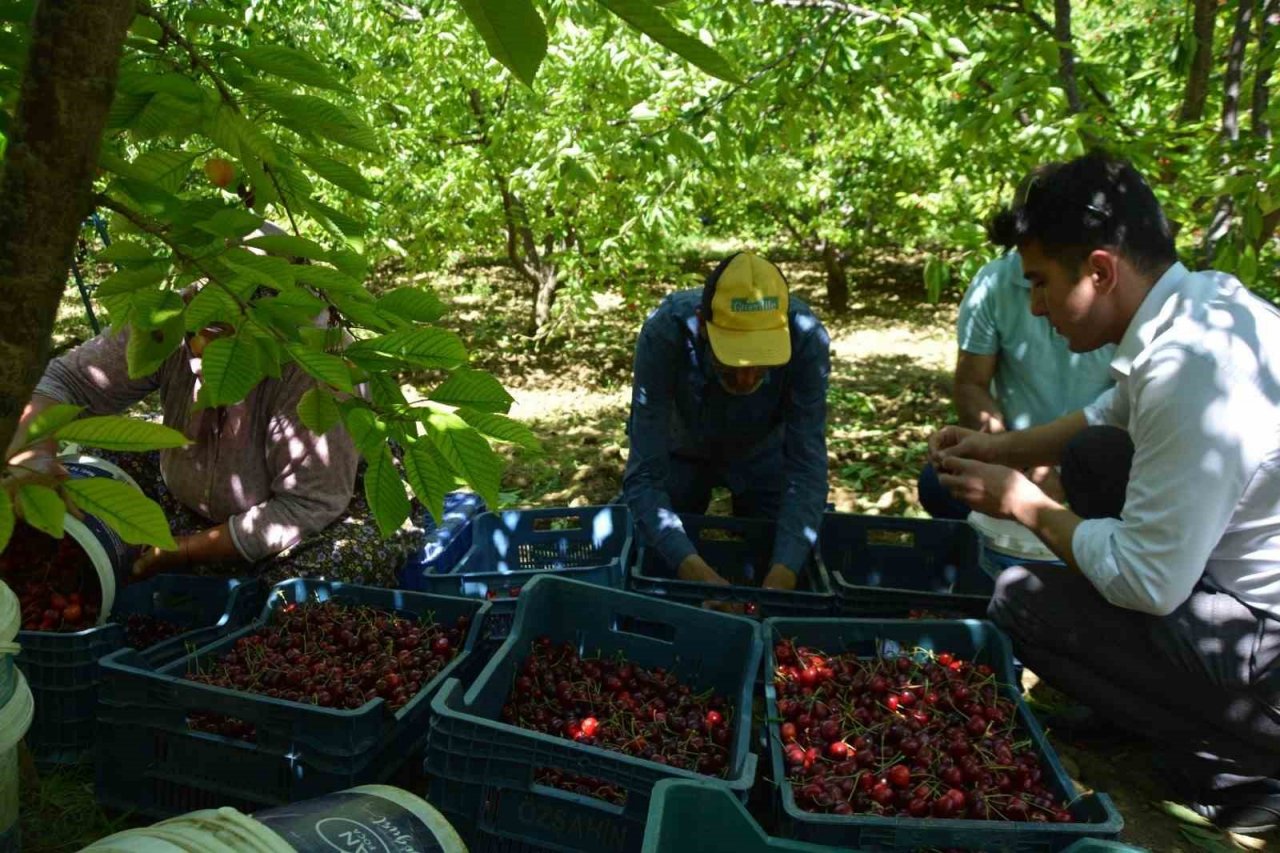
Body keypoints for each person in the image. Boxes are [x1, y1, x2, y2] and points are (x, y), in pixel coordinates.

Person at [929, 151, 1280, 834]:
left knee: (1021, 602)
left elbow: (1147, 580)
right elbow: (1102, 420)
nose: (1034, 306)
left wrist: (1019, 501)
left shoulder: (1190, 371)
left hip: (1268, 651)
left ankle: (1245, 770)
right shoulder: (1204, 308)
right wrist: (995, 448)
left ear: (1098, 270)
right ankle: (1146, 702)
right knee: (1093, 457)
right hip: (1241, 602)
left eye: (1040, 283)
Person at [6, 230, 414, 589]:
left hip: (327, 508)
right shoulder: (174, 319)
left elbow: (308, 505)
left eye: (229, 326)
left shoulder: (316, 367)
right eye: (204, 317)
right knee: (91, 467)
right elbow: (65, 381)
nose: (205, 340)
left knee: (324, 578)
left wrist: (183, 552)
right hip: (191, 487)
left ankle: (221, 576)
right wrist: (34, 451)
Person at [622, 251, 830, 596]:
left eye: (761, 360)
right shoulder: (666, 332)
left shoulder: (806, 337)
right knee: (642, 541)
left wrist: (782, 577)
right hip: (683, 450)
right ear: (704, 325)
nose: (747, 377)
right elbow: (644, 473)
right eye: (733, 359)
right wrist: (698, 576)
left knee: (791, 545)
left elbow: (807, 469)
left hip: (765, 453)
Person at [917, 248, 1115, 520]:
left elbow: (1122, 408)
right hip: (1014, 446)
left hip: (1093, 451)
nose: (1036, 306)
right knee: (937, 485)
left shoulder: (1119, 298)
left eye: (1043, 283)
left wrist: (1057, 471)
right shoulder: (993, 282)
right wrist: (1008, 460)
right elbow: (971, 384)